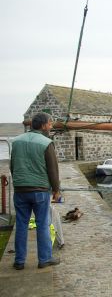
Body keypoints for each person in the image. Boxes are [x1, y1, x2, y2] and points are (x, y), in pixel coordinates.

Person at [10, 112, 61, 270]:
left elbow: (13, 166)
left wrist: (19, 182)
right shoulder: (46, 142)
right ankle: (44, 259)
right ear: (44, 125)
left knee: (21, 224)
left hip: (20, 190)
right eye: (50, 123)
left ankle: (19, 261)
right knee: (43, 224)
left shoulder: (16, 141)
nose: (51, 125)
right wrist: (56, 190)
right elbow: (53, 170)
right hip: (40, 190)